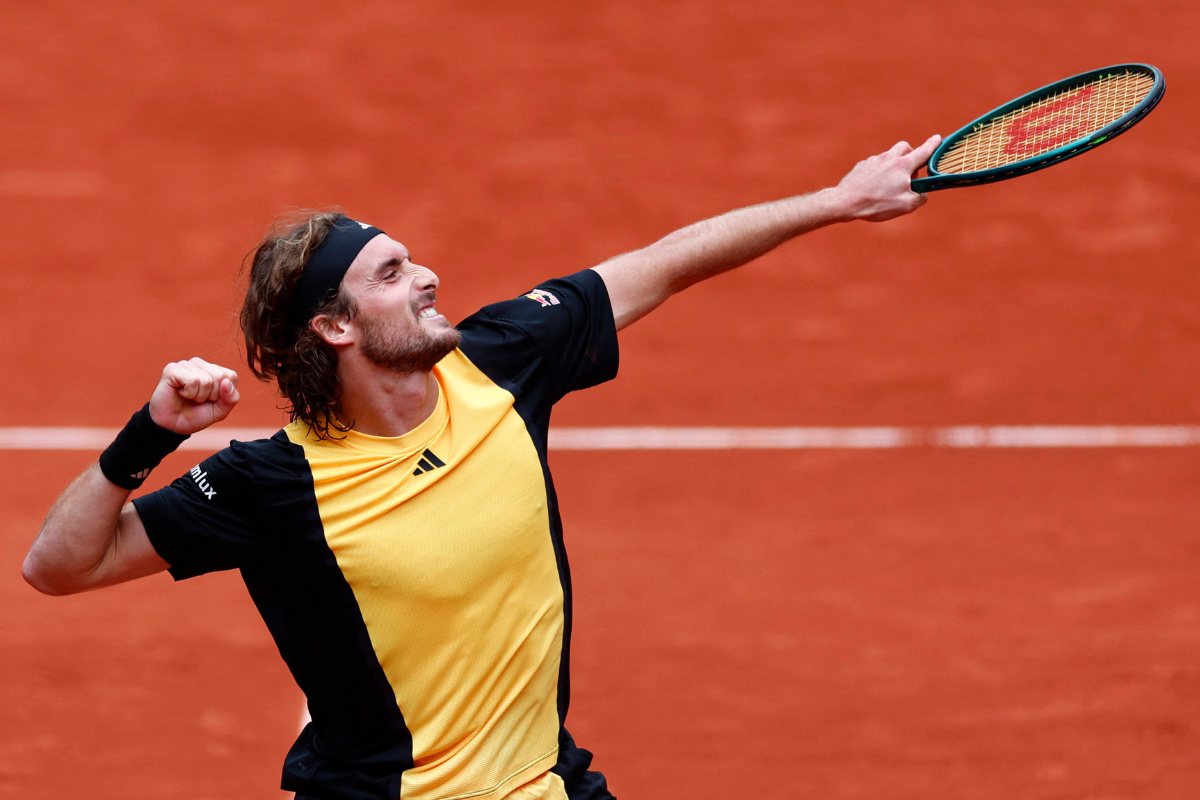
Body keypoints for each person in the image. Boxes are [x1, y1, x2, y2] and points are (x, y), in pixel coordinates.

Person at [22, 135, 941, 800]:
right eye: (389, 274)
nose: (424, 276)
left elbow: (660, 265)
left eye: (410, 259)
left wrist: (838, 201)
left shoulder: (498, 361)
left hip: (547, 782)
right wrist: (148, 435)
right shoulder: (273, 483)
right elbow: (58, 567)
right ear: (335, 328)